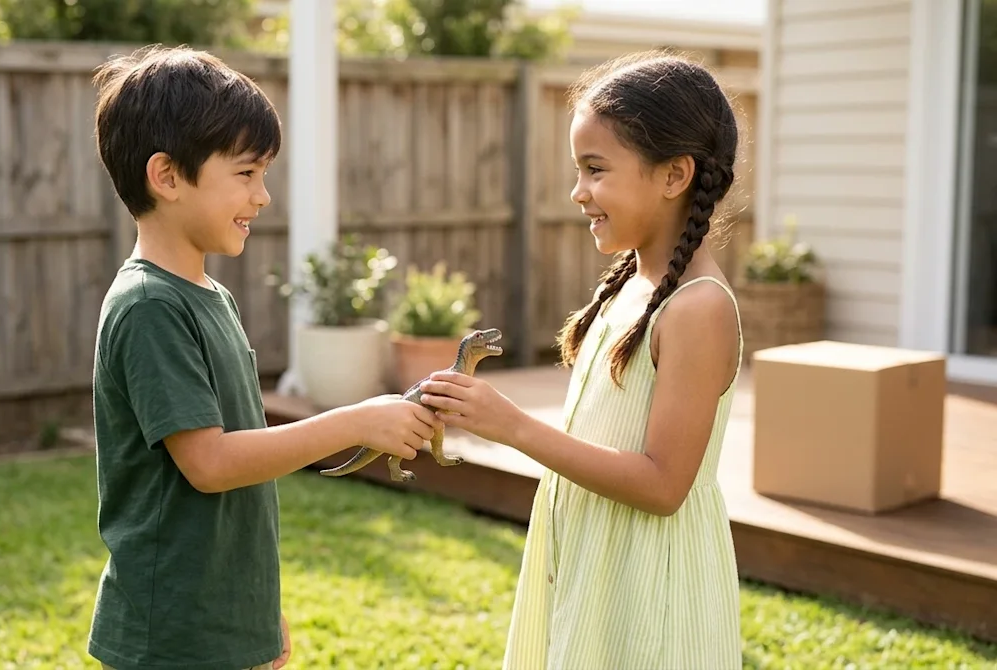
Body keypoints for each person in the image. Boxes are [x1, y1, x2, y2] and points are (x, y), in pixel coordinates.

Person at [86, 45, 441, 670]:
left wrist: (253, 608)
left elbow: (241, 463)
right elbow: (211, 464)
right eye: (246, 175)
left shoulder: (208, 296)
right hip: (170, 635)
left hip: (218, 620)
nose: (264, 197)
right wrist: (356, 421)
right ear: (166, 176)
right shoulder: (149, 307)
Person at [418, 51, 744, 670]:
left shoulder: (698, 309)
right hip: (596, 560)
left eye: (596, 169)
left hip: (650, 580)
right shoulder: (632, 286)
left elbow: (663, 485)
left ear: (675, 174)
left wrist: (512, 426)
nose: (577, 192)